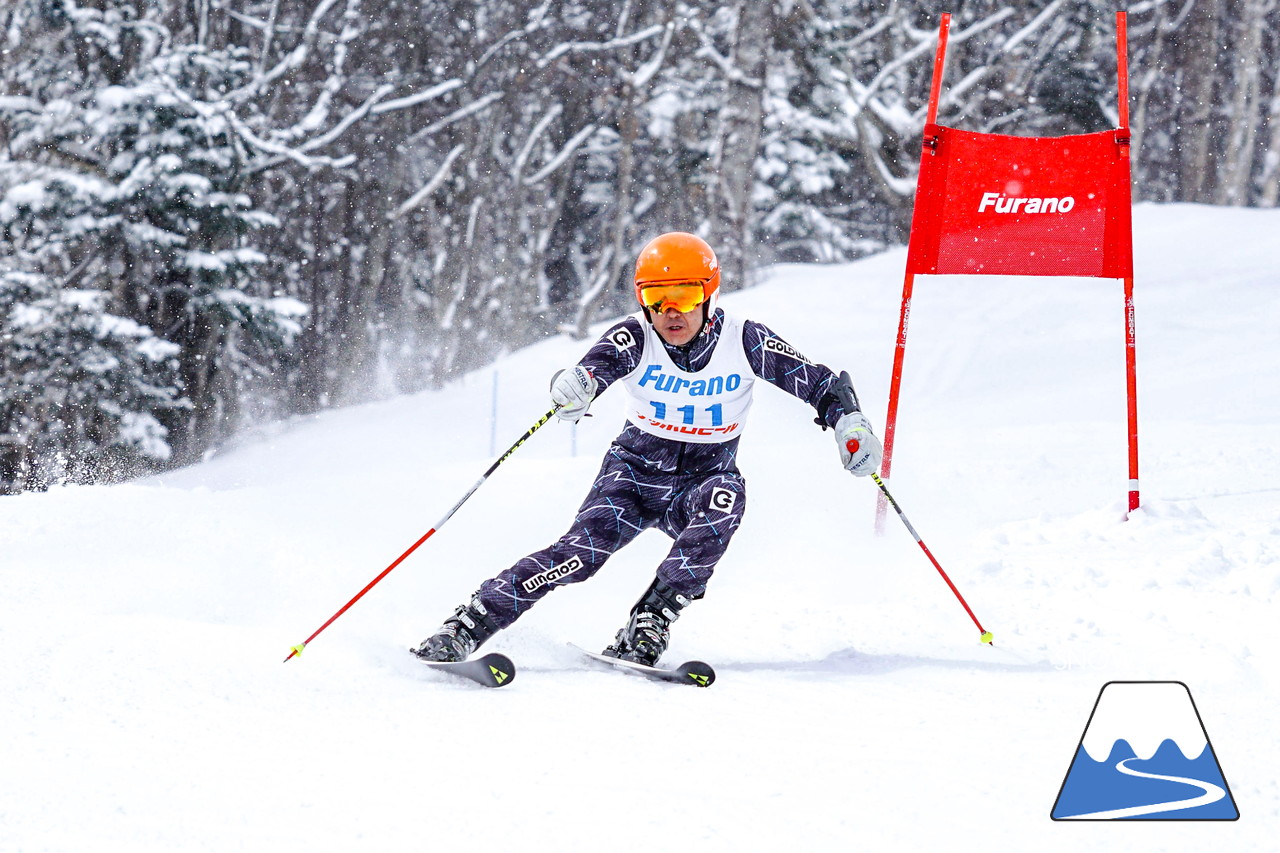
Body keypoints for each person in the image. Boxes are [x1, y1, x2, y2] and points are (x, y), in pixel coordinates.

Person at [412, 232, 882, 666]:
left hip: (703, 480)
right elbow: (593, 368)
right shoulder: (635, 336)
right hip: (631, 478)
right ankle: (469, 623)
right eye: (656, 300)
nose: (670, 313)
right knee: (578, 558)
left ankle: (649, 621)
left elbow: (818, 381)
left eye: (684, 297)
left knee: (725, 500)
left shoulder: (744, 339)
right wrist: (577, 385)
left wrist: (848, 422)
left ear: (709, 294)